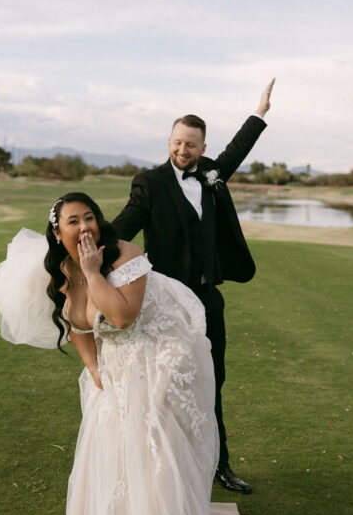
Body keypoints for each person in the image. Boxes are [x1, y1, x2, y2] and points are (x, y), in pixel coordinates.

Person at [0, 191, 262, 515]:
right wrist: (95, 370)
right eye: (73, 221)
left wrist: (94, 271)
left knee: (158, 432)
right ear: (57, 231)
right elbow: (79, 327)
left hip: (164, 348)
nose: (84, 226)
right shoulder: (61, 271)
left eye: (90, 217)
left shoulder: (124, 254)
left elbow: (121, 318)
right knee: (117, 429)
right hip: (118, 359)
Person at [111, 79, 275, 494]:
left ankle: (220, 466)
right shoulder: (149, 183)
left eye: (192, 146)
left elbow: (236, 151)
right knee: (168, 385)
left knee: (212, 380)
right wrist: (90, 239)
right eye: (178, 143)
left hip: (207, 300)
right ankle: (165, 469)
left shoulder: (211, 174)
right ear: (169, 140)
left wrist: (260, 112)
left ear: (202, 149)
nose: (183, 151)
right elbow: (126, 225)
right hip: (166, 302)